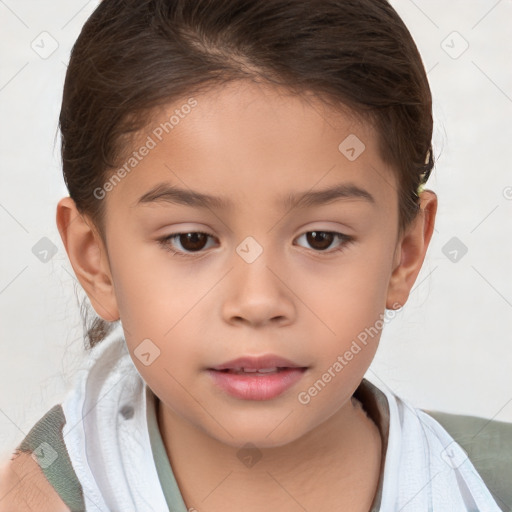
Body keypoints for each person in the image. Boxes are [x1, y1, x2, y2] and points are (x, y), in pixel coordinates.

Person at [0, 0, 509, 510]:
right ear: (97, 261)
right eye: (191, 240)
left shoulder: (490, 484)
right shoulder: (35, 496)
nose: (259, 301)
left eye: (320, 239)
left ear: (405, 252)